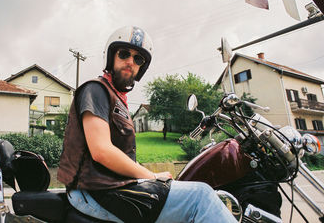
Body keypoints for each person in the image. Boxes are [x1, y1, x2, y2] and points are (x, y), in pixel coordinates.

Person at [57, 26, 237, 223]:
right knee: (201, 197)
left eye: (138, 59)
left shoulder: (118, 100)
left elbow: (122, 158)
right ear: (111, 57)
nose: (130, 62)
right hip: (94, 192)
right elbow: (101, 150)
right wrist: (150, 175)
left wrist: (151, 175)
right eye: (124, 54)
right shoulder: (96, 90)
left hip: (112, 187)